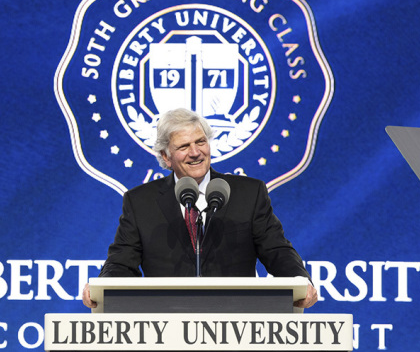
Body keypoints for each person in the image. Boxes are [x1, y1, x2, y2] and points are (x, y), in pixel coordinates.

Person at [82, 107, 317, 308]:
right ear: (165, 156)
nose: (195, 153)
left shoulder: (248, 193)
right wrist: (101, 288)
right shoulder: (141, 202)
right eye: (184, 146)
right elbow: (122, 261)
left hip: (237, 323)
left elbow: (276, 249)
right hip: (164, 326)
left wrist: (300, 280)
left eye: (201, 142)